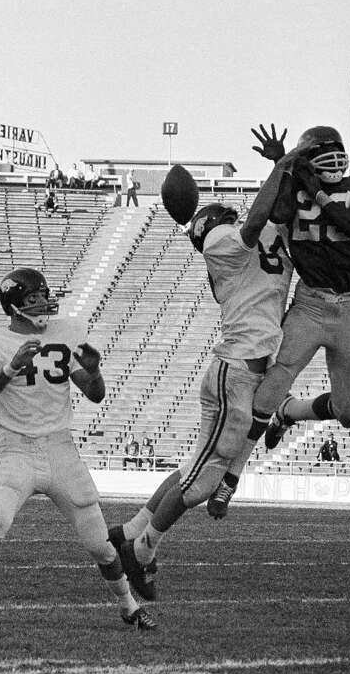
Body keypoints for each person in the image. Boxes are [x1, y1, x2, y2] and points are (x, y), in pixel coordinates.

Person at [106, 151, 296, 600]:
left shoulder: (250, 242)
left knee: (192, 470)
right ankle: (142, 550)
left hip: (241, 372)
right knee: (202, 483)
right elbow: (253, 226)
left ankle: (129, 531)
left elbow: (277, 213)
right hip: (235, 375)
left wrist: (286, 171)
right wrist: (281, 165)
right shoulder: (221, 244)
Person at [0, 267, 155, 640]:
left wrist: (94, 372)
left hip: (60, 447)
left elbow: (94, 393)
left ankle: (130, 608)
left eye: (44, 294)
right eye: (34, 298)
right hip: (15, 446)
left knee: (99, 543)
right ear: (14, 306)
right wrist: (12, 365)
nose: (44, 302)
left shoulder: (68, 331)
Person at [209, 124, 350, 515]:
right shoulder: (295, 188)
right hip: (310, 304)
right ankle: (231, 480)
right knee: (270, 388)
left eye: (334, 150)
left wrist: (318, 192)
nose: (331, 159)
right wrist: (285, 167)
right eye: (320, 152)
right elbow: (280, 212)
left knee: (348, 414)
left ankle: (290, 412)